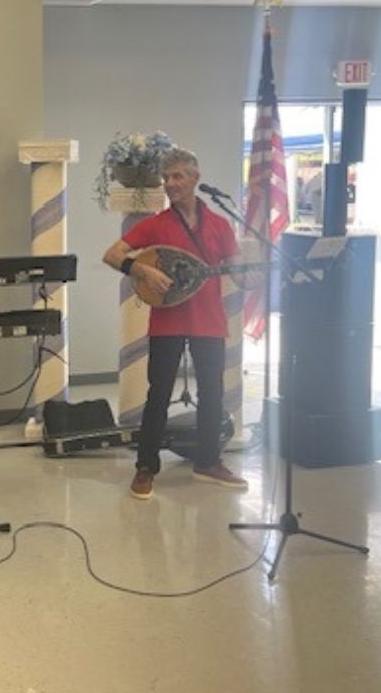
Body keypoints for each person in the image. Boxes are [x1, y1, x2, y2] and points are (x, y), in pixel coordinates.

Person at [102, 147, 248, 499]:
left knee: (213, 392)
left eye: (178, 176)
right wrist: (141, 269)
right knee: (159, 394)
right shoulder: (156, 223)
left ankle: (209, 461)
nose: (170, 184)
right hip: (167, 318)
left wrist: (253, 277)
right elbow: (112, 254)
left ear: (195, 178)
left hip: (209, 319)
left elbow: (238, 270)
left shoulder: (219, 224)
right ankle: (145, 467)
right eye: (166, 178)